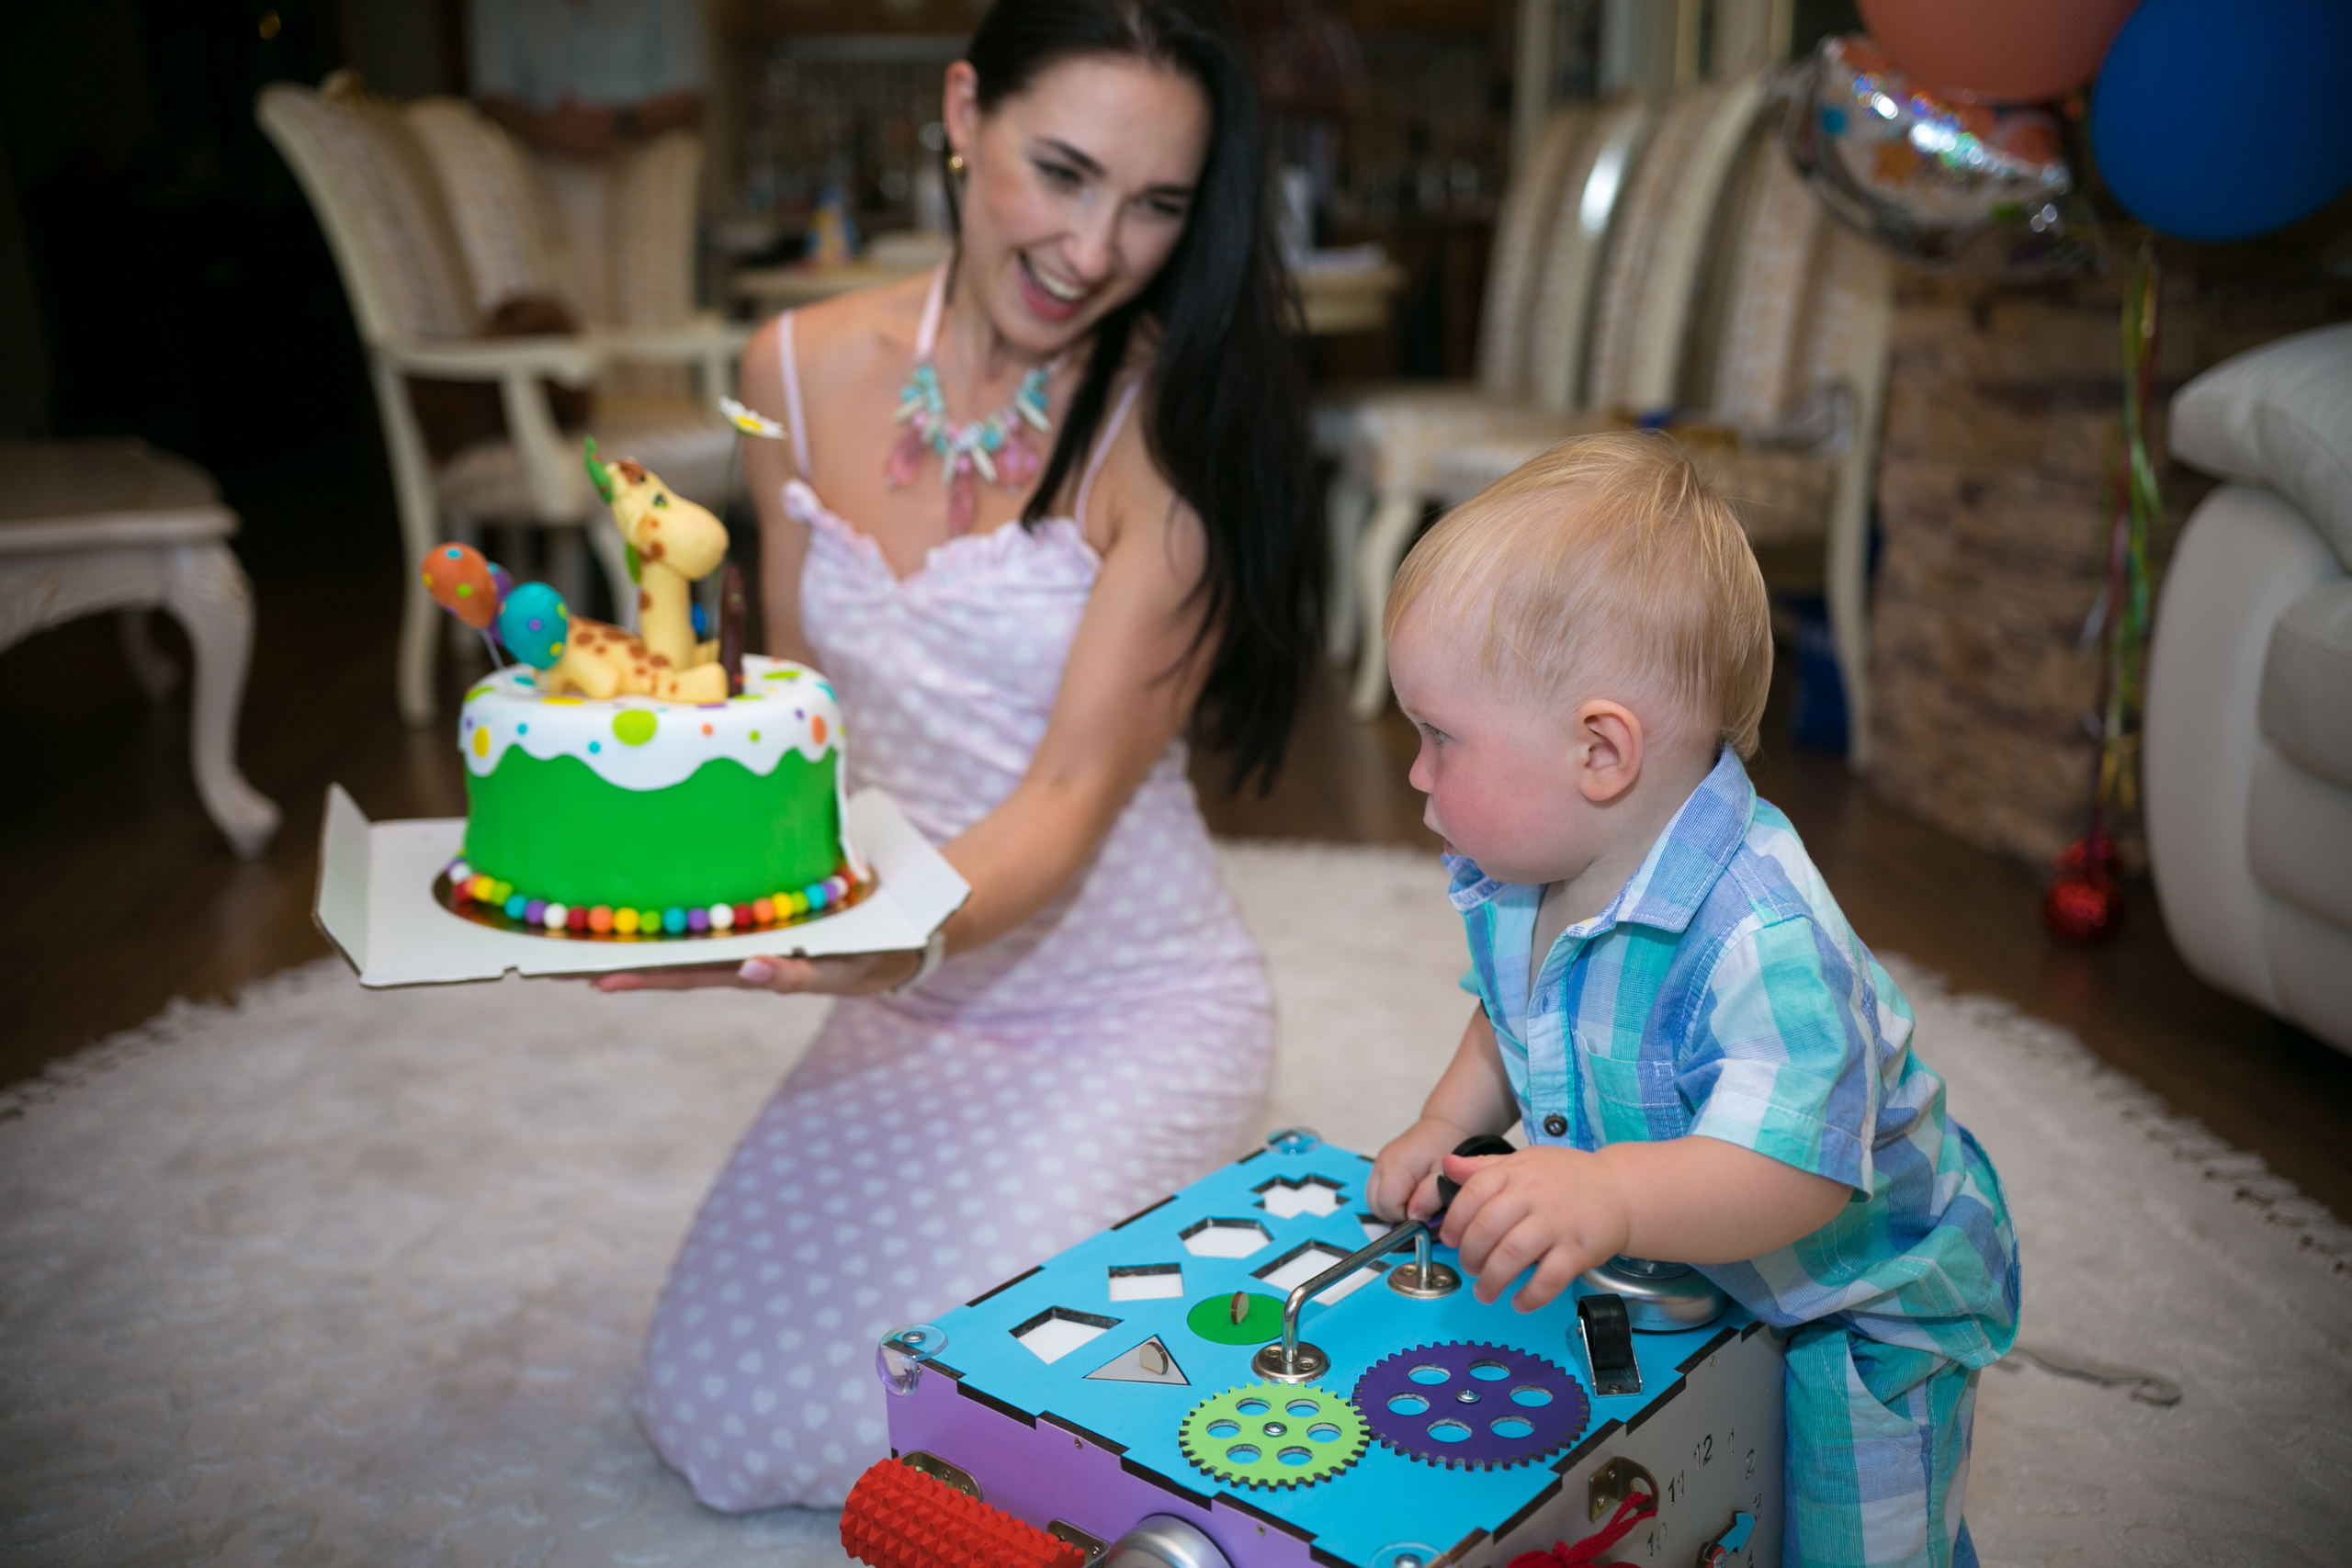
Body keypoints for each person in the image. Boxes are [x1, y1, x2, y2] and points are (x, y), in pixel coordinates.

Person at [596, 0, 1315, 1512]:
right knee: (716, 1405)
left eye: (1157, 205)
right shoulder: (784, 366)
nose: (1097, 245)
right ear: (963, 111)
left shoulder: (1168, 428)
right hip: (913, 998)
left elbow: (1063, 802)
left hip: (1124, 1004)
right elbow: (799, 708)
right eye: (1061, 170)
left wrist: (876, 939)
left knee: (918, 1428)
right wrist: (709, 910)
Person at [1365, 434, 2016, 1568]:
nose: (1414, 772)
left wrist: (1610, 1195)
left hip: (1857, 1295)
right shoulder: (1526, 873)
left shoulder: (1762, 936)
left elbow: (1797, 1172)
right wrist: (1442, 1121)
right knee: (1693, 1493)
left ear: (1600, 751)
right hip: (1698, 1268)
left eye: (1438, 737)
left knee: (1849, 1536)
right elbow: (1511, 1014)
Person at [469, 0, 707, 161]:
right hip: (533, 169)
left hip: (644, 163)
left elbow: (688, 98)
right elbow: (493, 98)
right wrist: (545, 129)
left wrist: (617, 123)